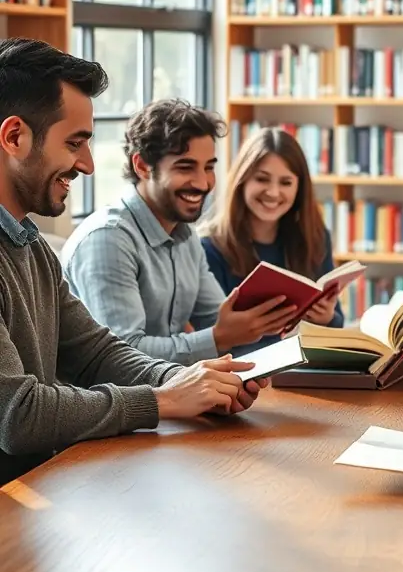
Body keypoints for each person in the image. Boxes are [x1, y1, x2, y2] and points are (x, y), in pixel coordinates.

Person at [0, 38, 266, 485]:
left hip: (44, 488)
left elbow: (96, 352)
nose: (86, 165)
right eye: (75, 143)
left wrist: (194, 382)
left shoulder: (30, 245)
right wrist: (163, 399)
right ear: (14, 137)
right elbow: (18, 415)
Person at [62, 101, 298, 365]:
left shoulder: (185, 235)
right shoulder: (108, 240)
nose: (202, 182)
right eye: (185, 167)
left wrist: (260, 324)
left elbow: (217, 320)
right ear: (142, 166)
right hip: (114, 400)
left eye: (209, 167)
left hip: (171, 389)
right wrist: (219, 338)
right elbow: (121, 354)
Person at [201, 126, 343, 349]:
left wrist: (327, 319)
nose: (273, 192)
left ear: (299, 188)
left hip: (305, 369)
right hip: (244, 373)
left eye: (286, 183)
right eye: (262, 179)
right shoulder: (210, 248)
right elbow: (210, 339)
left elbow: (337, 325)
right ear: (242, 181)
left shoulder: (314, 238)